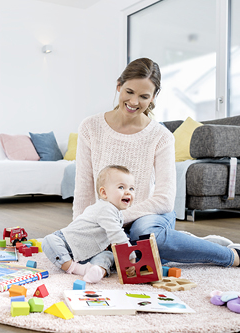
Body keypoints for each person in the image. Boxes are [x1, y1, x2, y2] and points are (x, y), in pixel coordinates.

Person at [72, 57, 240, 268]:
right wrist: (79, 231)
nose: (134, 102)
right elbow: (84, 189)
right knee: (95, 254)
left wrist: (114, 219)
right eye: (129, 92)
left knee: (144, 238)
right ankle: (187, 245)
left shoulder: (161, 136)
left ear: (153, 98)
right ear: (118, 86)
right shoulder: (90, 127)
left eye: (143, 96)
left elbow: (164, 200)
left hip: (148, 215)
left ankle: (230, 255)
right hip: (106, 218)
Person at [42, 165, 137, 283]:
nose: (128, 192)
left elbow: (115, 239)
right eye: (121, 187)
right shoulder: (105, 208)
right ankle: (77, 268)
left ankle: (97, 270)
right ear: (104, 193)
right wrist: (131, 257)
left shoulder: (117, 213)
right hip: (69, 243)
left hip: (92, 251)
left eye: (131, 188)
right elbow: (117, 235)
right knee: (49, 240)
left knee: (108, 256)